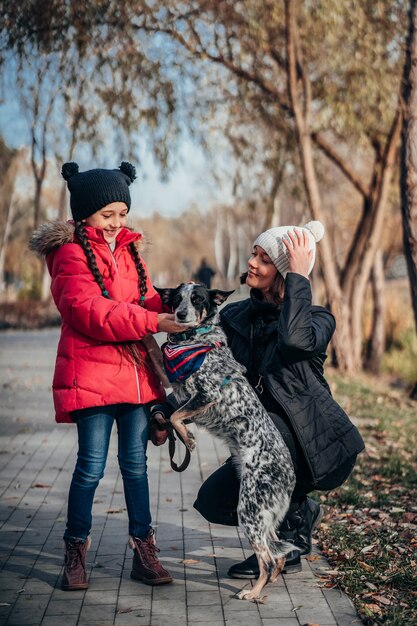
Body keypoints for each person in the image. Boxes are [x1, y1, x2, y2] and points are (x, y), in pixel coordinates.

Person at [29, 161, 186, 591]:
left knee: (136, 468)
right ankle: (75, 549)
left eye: (122, 213)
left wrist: (177, 309)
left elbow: (146, 301)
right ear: (84, 215)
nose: (117, 223)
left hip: (135, 381)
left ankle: (144, 550)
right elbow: (91, 312)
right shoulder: (69, 254)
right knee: (90, 469)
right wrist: (153, 323)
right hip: (92, 380)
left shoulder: (131, 250)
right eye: (107, 215)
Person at [193, 221, 365, 578]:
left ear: (285, 272)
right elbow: (210, 370)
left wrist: (299, 278)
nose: (253, 263)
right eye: (254, 254)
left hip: (313, 448)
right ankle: (299, 512)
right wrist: (166, 408)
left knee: (265, 434)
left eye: (266, 260)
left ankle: (280, 545)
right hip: (264, 444)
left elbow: (293, 342)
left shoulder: (318, 320)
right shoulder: (235, 317)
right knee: (212, 501)